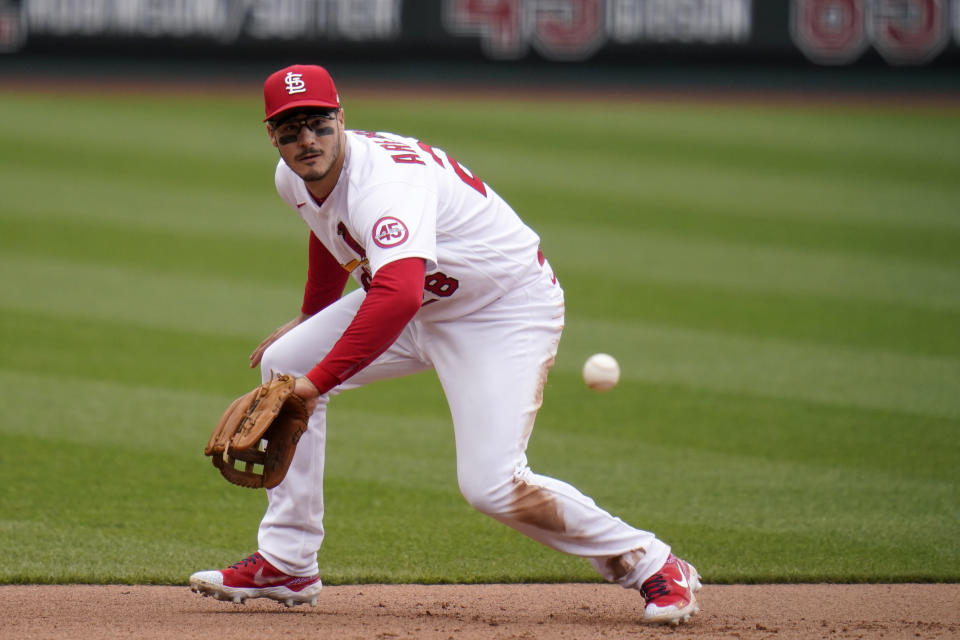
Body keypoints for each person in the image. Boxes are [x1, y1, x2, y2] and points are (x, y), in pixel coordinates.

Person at [189, 64, 702, 625]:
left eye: (317, 123)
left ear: (342, 118)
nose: (305, 140)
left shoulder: (384, 185)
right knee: (286, 360)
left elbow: (398, 295)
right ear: (272, 135)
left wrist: (316, 384)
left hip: (499, 311)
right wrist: (311, 319)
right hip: (417, 296)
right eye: (289, 129)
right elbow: (329, 230)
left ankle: (651, 562)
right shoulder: (294, 177)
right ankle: (287, 564)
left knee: (491, 485)